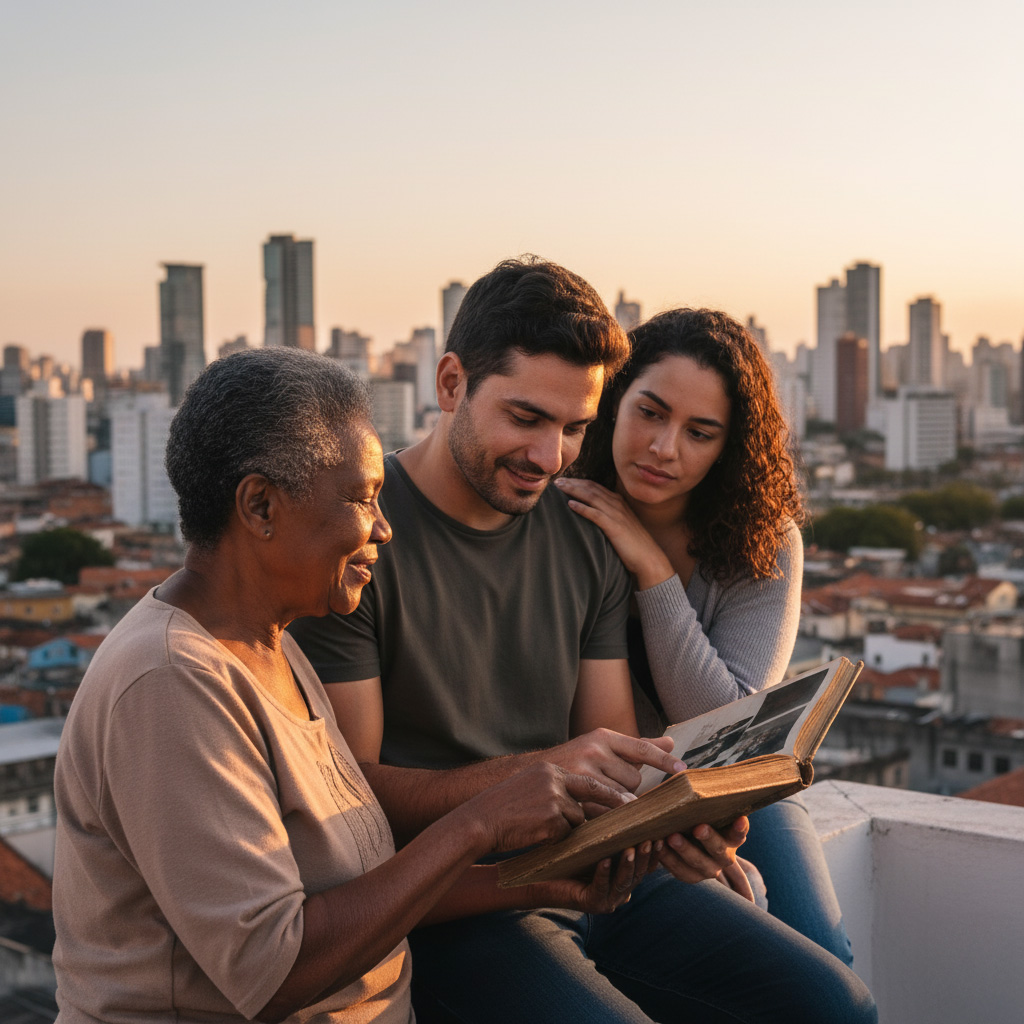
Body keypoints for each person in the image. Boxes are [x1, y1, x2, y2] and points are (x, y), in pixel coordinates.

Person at [291, 258, 876, 1023]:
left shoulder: (585, 530)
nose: (549, 457)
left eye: (573, 429)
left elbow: (609, 748)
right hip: (464, 902)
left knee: (836, 1007)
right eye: (526, 418)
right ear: (449, 384)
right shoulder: (362, 541)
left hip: (603, 874)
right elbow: (357, 801)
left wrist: (674, 829)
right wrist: (530, 783)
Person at [51, 348, 658, 1024]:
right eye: (363, 498)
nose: (384, 527)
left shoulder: (271, 644)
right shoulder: (168, 681)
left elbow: (360, 887)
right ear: (259, 506)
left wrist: (538, 881)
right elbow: (274, 967)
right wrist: (478, 823)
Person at [558, 306, 853, 963]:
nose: (665, 448)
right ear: (614, 400)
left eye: (701, 432)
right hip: (612, 799)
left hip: (732, 784)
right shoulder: (561, 502)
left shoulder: (764, 541)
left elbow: (727, 724)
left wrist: (653, 573)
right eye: (650, 412)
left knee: (821, 953)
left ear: (730, 446)